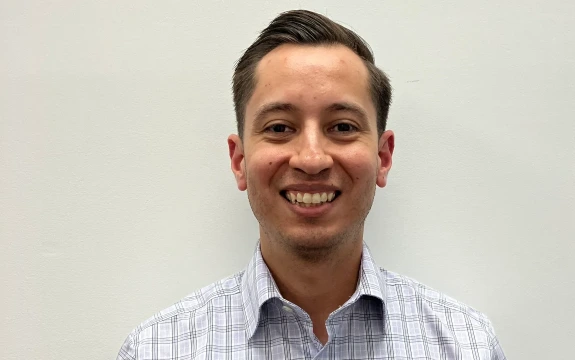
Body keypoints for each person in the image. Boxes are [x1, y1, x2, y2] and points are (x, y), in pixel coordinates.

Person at [116, 9, 506, 360]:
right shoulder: (157, 348)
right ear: (239, 161)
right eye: (280, 128)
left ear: (382, 157)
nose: (312, 159)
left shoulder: (465, 345)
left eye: (342, 127)